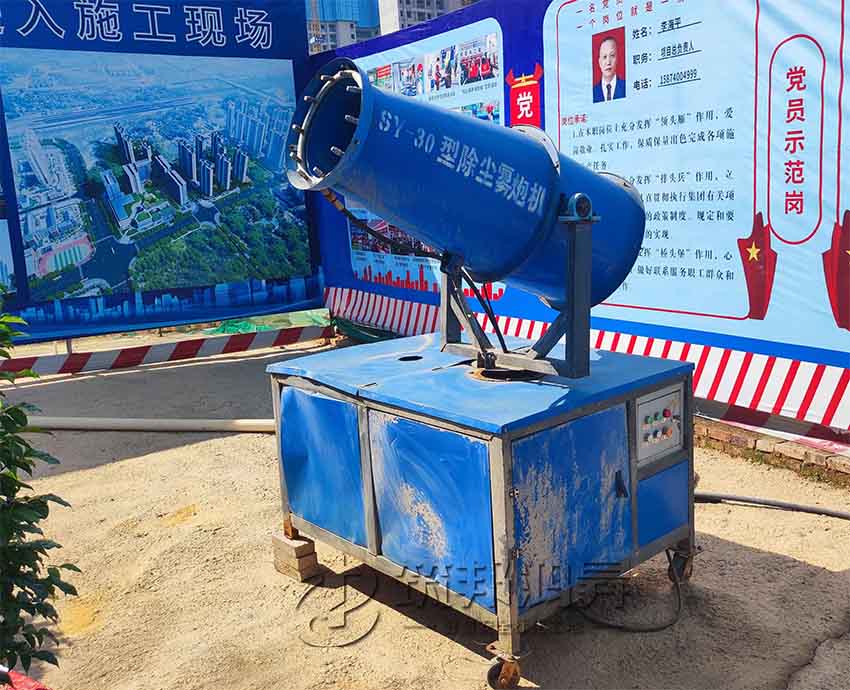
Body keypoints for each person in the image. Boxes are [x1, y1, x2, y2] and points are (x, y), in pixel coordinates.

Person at [593, 36, 626, 103]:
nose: (608, 62)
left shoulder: (626, 86)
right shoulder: (593, 92)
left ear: (617, 59)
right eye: (604, 57)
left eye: (612, 55)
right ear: (599, 62)